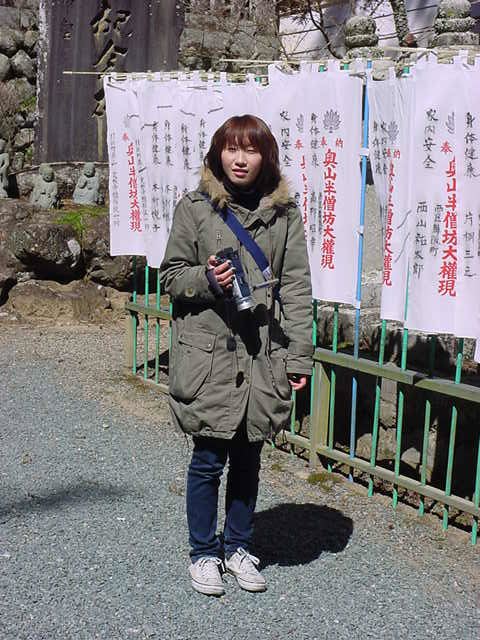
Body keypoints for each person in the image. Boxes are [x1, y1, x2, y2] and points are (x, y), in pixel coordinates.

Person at [159, 115, 313, 596]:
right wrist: (207, 279)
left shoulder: (284, 215)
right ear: (217, 154)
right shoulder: (195, 209)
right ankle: (203, 552)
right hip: (209, 356)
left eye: (251, 150)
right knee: (208, 458)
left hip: (262, 353)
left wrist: (299, 356)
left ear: (266, 157)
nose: (240, 159)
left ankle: (239, 547)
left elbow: (297, 288)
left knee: (249, 457)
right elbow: (170, 276)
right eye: (231, 149)